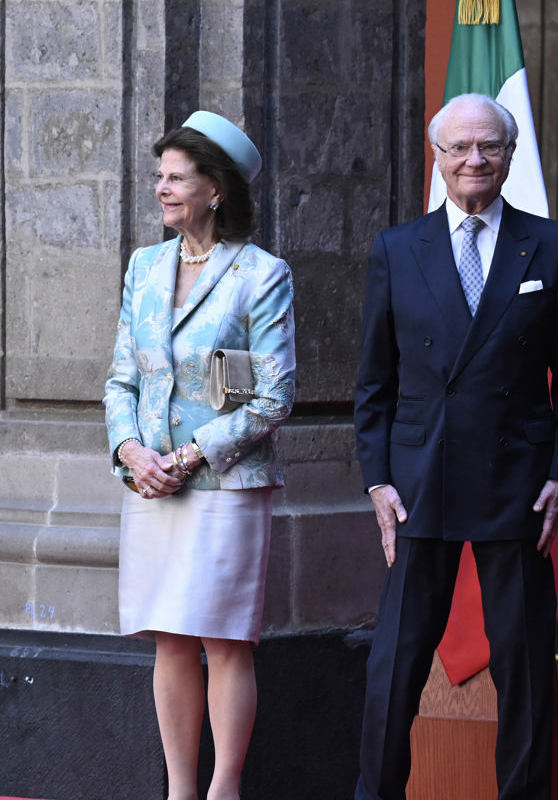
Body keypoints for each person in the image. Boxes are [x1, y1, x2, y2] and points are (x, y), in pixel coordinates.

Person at [353, 93, 558, 800]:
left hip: (517, 484)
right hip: (419, 482)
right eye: (458, 148)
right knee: (393, 669)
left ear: (510, 155)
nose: (474, 160)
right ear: (438, 157)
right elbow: (374, 383)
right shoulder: (398, 248)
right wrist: (377, 481)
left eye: (488, 146)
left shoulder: (552, 245)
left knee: (523, 666)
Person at [104, 110, 296, 800]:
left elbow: (275, 398)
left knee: (223, 639)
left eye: (176, 178)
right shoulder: (145, 266)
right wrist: (130, 450)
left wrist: (187, 456)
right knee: (170, 638)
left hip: (225, 486)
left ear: (216, 188)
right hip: (151, 485)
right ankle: (179, 791)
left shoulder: (261, 275)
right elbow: (121, 376)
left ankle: (224, 790)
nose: (162, 188)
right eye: (159, 176)